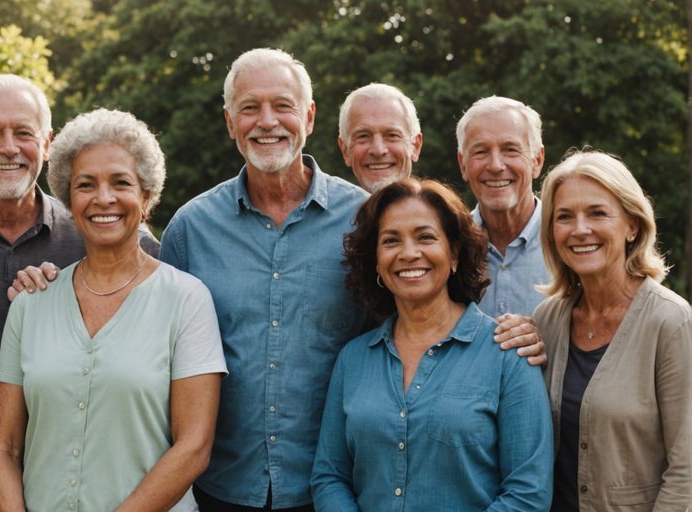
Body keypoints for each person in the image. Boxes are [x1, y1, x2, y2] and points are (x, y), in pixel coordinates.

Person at [157, 48, 544, 511]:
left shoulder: (361, 218)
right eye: (249, 108)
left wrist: (532, 330)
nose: (267, 121)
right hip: (222, 486)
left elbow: (420, 319)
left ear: (309, 116)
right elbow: (156, 343)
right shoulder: (190, 227)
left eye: (282, 105)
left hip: (327, 492)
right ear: (228, 121)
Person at [0, 74, 158, 511]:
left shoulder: (98, 228)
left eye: (23, 133)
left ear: (48, 143)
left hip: (73, 481)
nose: (9, 148)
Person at [0, 108, 226, 511]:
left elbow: (194, 447)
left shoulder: (187, 299)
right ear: (68, 200)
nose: (103, 198)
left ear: (146, 197)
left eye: (121, 183)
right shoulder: (30, 304)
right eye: (86, 185)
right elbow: (4, 449)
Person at [312, 177, 553, 510]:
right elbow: (329, 477)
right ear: (376, 260)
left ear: (453, 252)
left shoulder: (507, 354)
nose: (409, 253)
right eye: (391, 241)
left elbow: (529, 493)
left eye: (426, 237)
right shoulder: (353, 359)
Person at [533, 150, 691, 510]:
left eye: (597, 213)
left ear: (632, 225)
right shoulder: (547, 320)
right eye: (564, 217)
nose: (580, 229)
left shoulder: (670, 321)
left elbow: (687, 470)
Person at [457, 95, 551, 317]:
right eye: (481, 151)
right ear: (463, 165)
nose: (496, 165)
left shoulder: (568, 242)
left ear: (537, 160)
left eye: (510, 149)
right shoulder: (449, 245)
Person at [337, 83, 422, 192]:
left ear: (415, 146)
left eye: (392, 135)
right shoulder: (330, 207)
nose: (378, 150)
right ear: (345, 150)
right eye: (363, 136)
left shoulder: (443, 209)